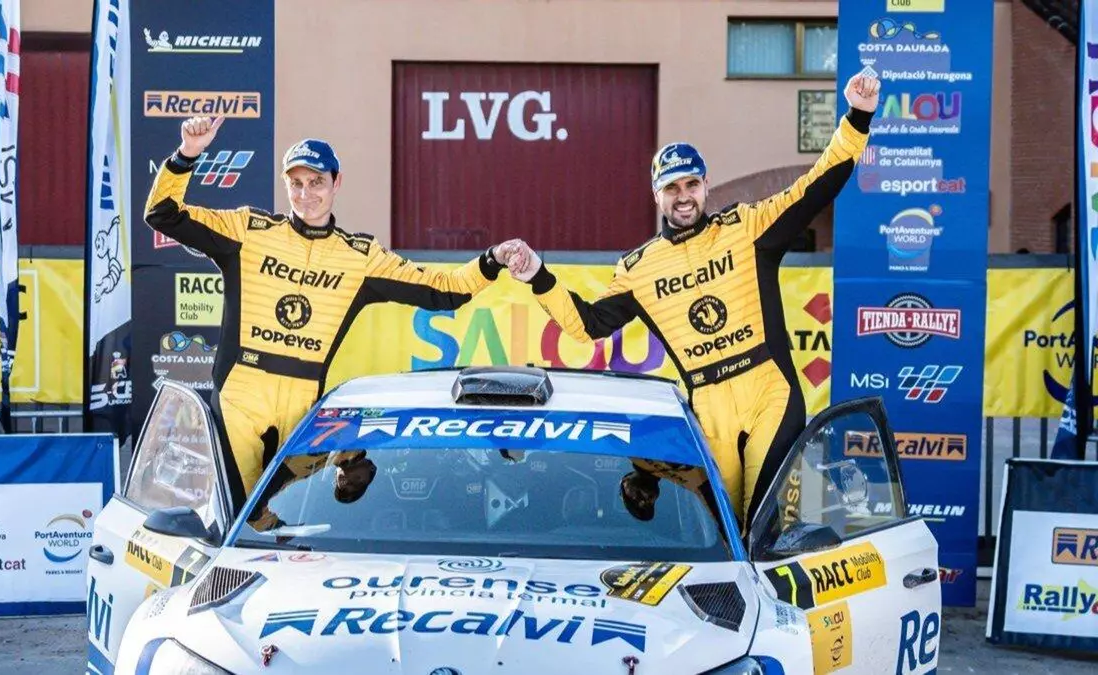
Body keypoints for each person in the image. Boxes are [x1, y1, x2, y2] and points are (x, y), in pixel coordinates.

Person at [504, 73, 881, 528]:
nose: (683, 197)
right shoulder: (639, 267)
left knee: (762, 520)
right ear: (656, 196)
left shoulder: (747, 227)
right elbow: (587, 326)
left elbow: (816, 187)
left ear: (705, 185)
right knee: (724, 529)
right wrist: (537, 276)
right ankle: (646, 480)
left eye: (691, 184)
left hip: (769, 391)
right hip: (709, 404)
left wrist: (858, 116)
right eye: (672, 188)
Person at [144, 116, 518, 509]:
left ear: (336, 183)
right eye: (296, 183)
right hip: (241, 396)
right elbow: (162, 214)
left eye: (316, 182)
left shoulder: (360, 257)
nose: (306, 194)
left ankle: (341, 460)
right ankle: (335, 461)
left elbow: (445, 291)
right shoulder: (248, 230)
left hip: (302, 402)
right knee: (242, 514)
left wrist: (492, 260)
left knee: (282, 511)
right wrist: (187, 155)